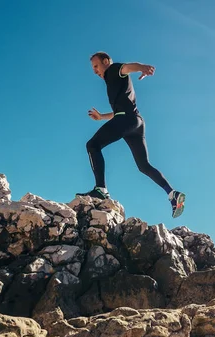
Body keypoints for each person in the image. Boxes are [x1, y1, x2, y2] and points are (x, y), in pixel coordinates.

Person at [77, 52, 186, 218]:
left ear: (105, 61)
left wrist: (142, 67)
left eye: (96, 66)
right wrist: (101, 117)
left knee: (92, 145)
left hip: (127, 119)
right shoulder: (113, 82)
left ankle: (101, 189)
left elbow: (127, 67)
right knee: (143, 165)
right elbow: (118, 112)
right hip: (135, 121)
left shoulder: (113, 69)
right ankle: (172, 194)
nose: (95, 71)